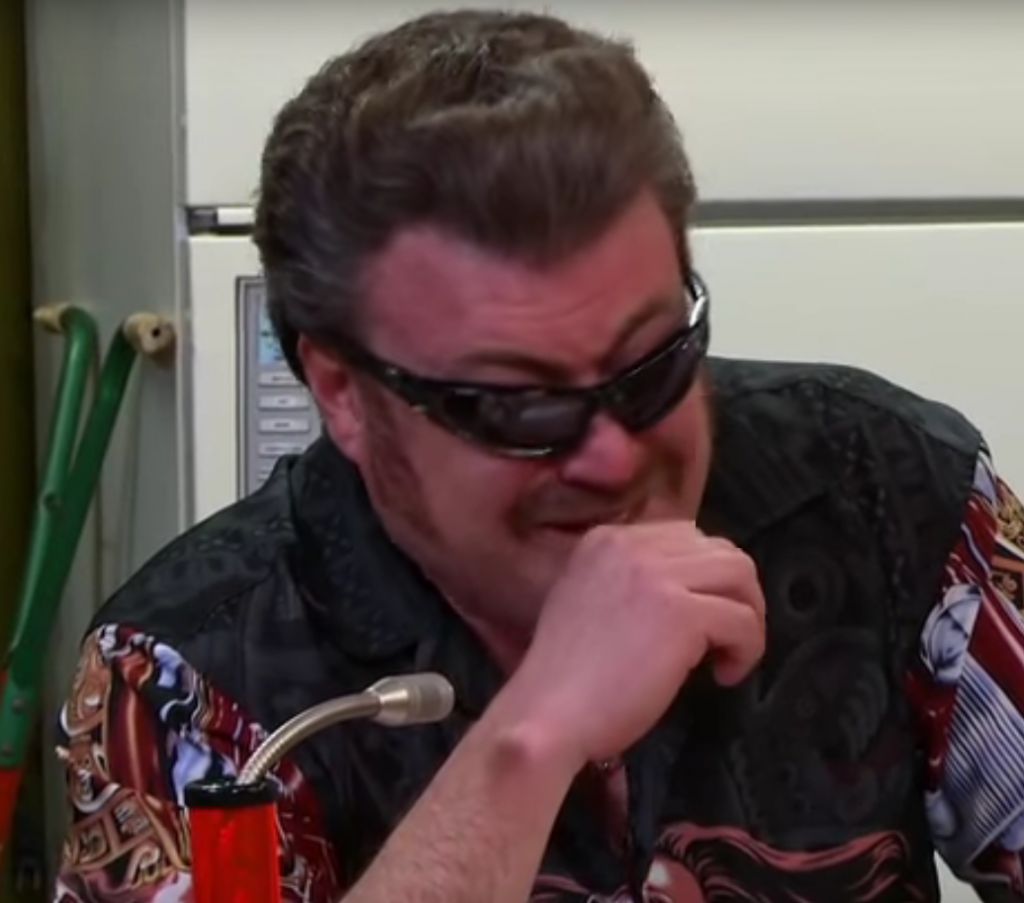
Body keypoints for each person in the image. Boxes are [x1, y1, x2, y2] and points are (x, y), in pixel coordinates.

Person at [52, 9, 1024, 903]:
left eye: (652, 363)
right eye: (519, 405)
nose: (614, 458)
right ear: (344, 394)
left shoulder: (889, 488)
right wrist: (532, 736)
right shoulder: (184, 679)